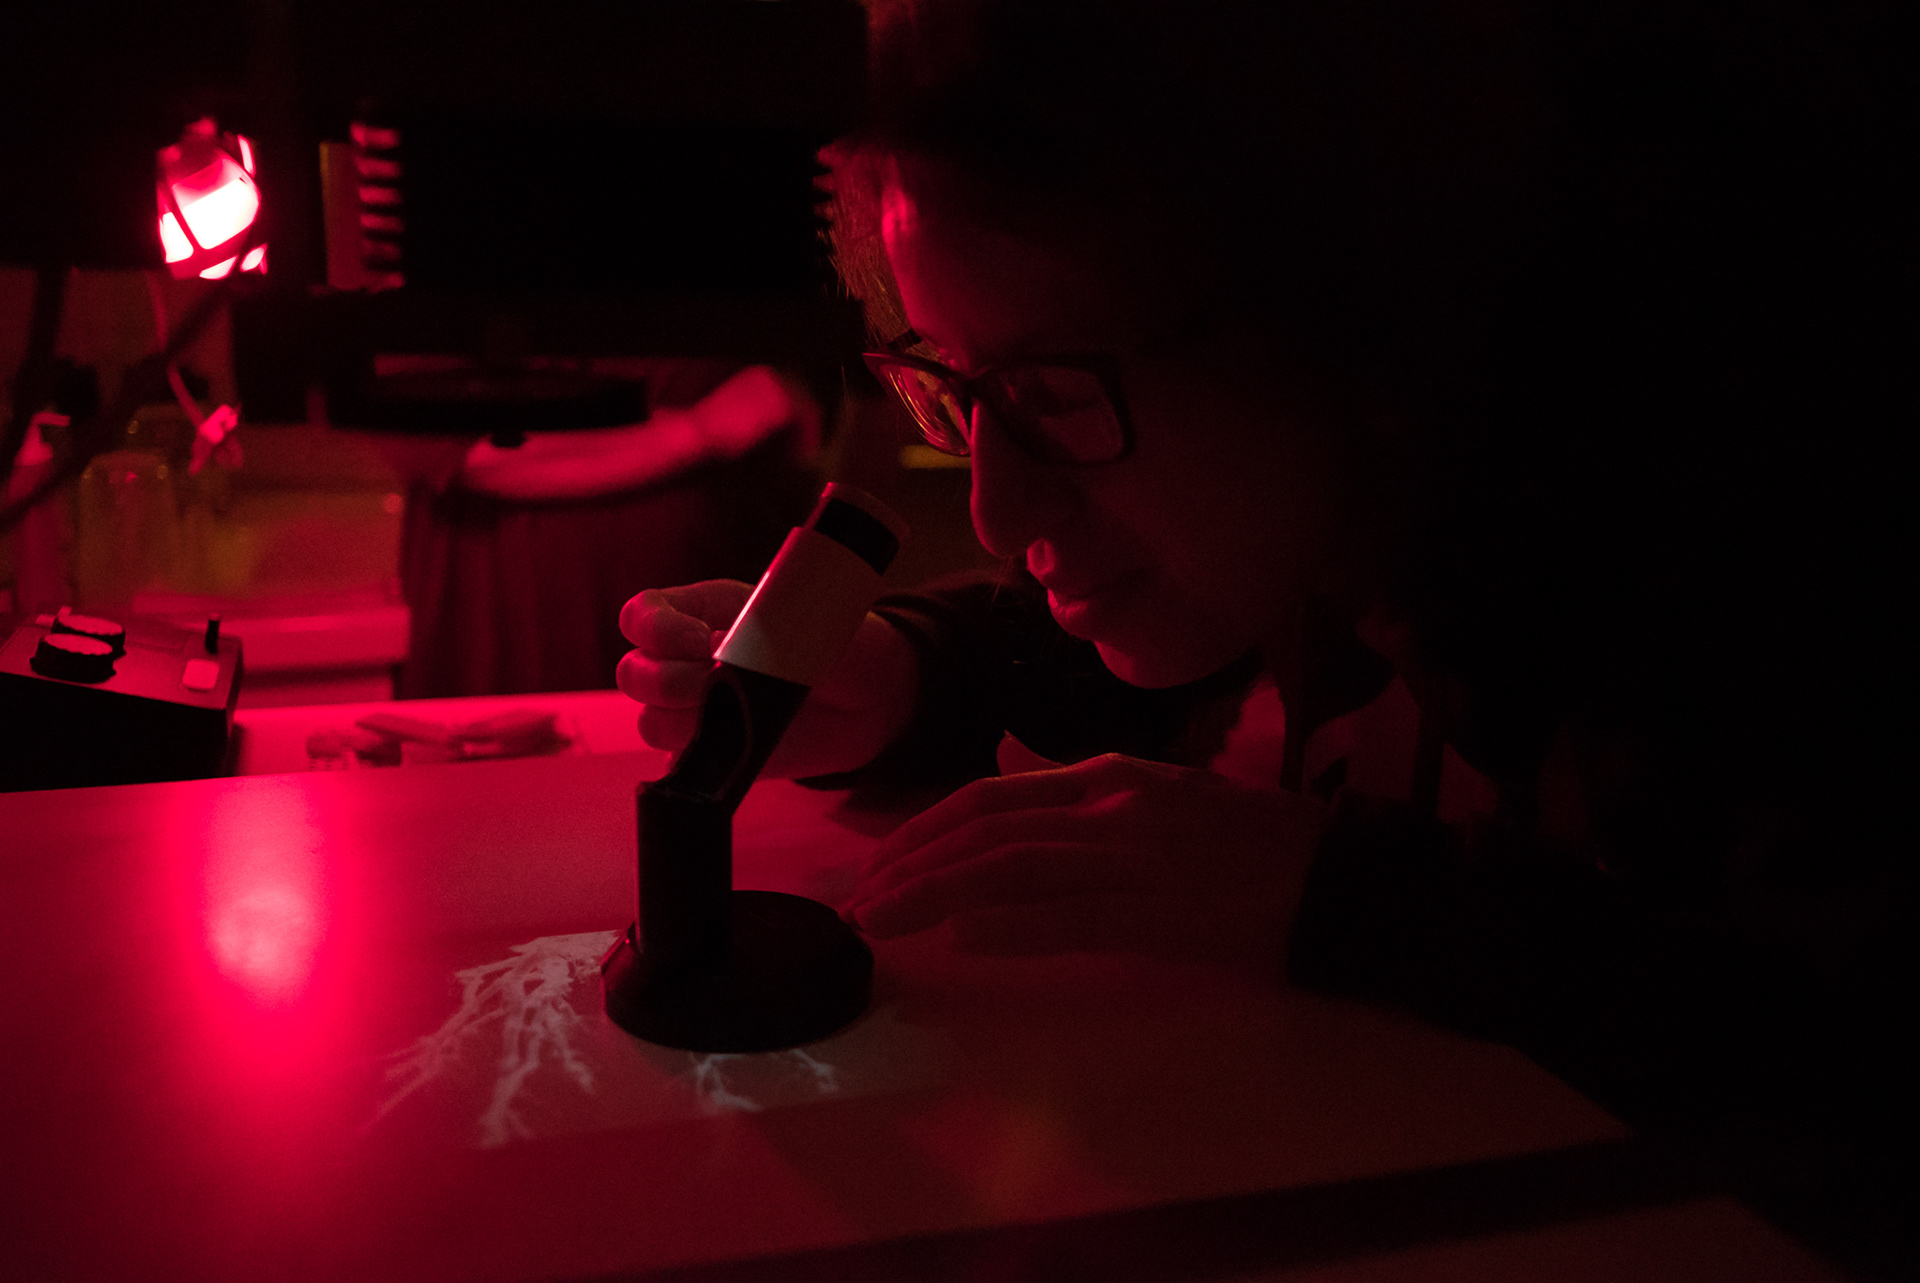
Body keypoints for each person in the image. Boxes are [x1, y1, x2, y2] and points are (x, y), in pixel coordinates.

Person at [618, 0, 1913, 1269]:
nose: (996, 513)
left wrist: (1357, 901)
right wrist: (906, 677)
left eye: (1053, 393)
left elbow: (1849, 1057)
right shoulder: (1344, 510)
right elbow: (1167, 640)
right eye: (951, 388)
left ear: (1348, 306)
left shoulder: (1762, 562)